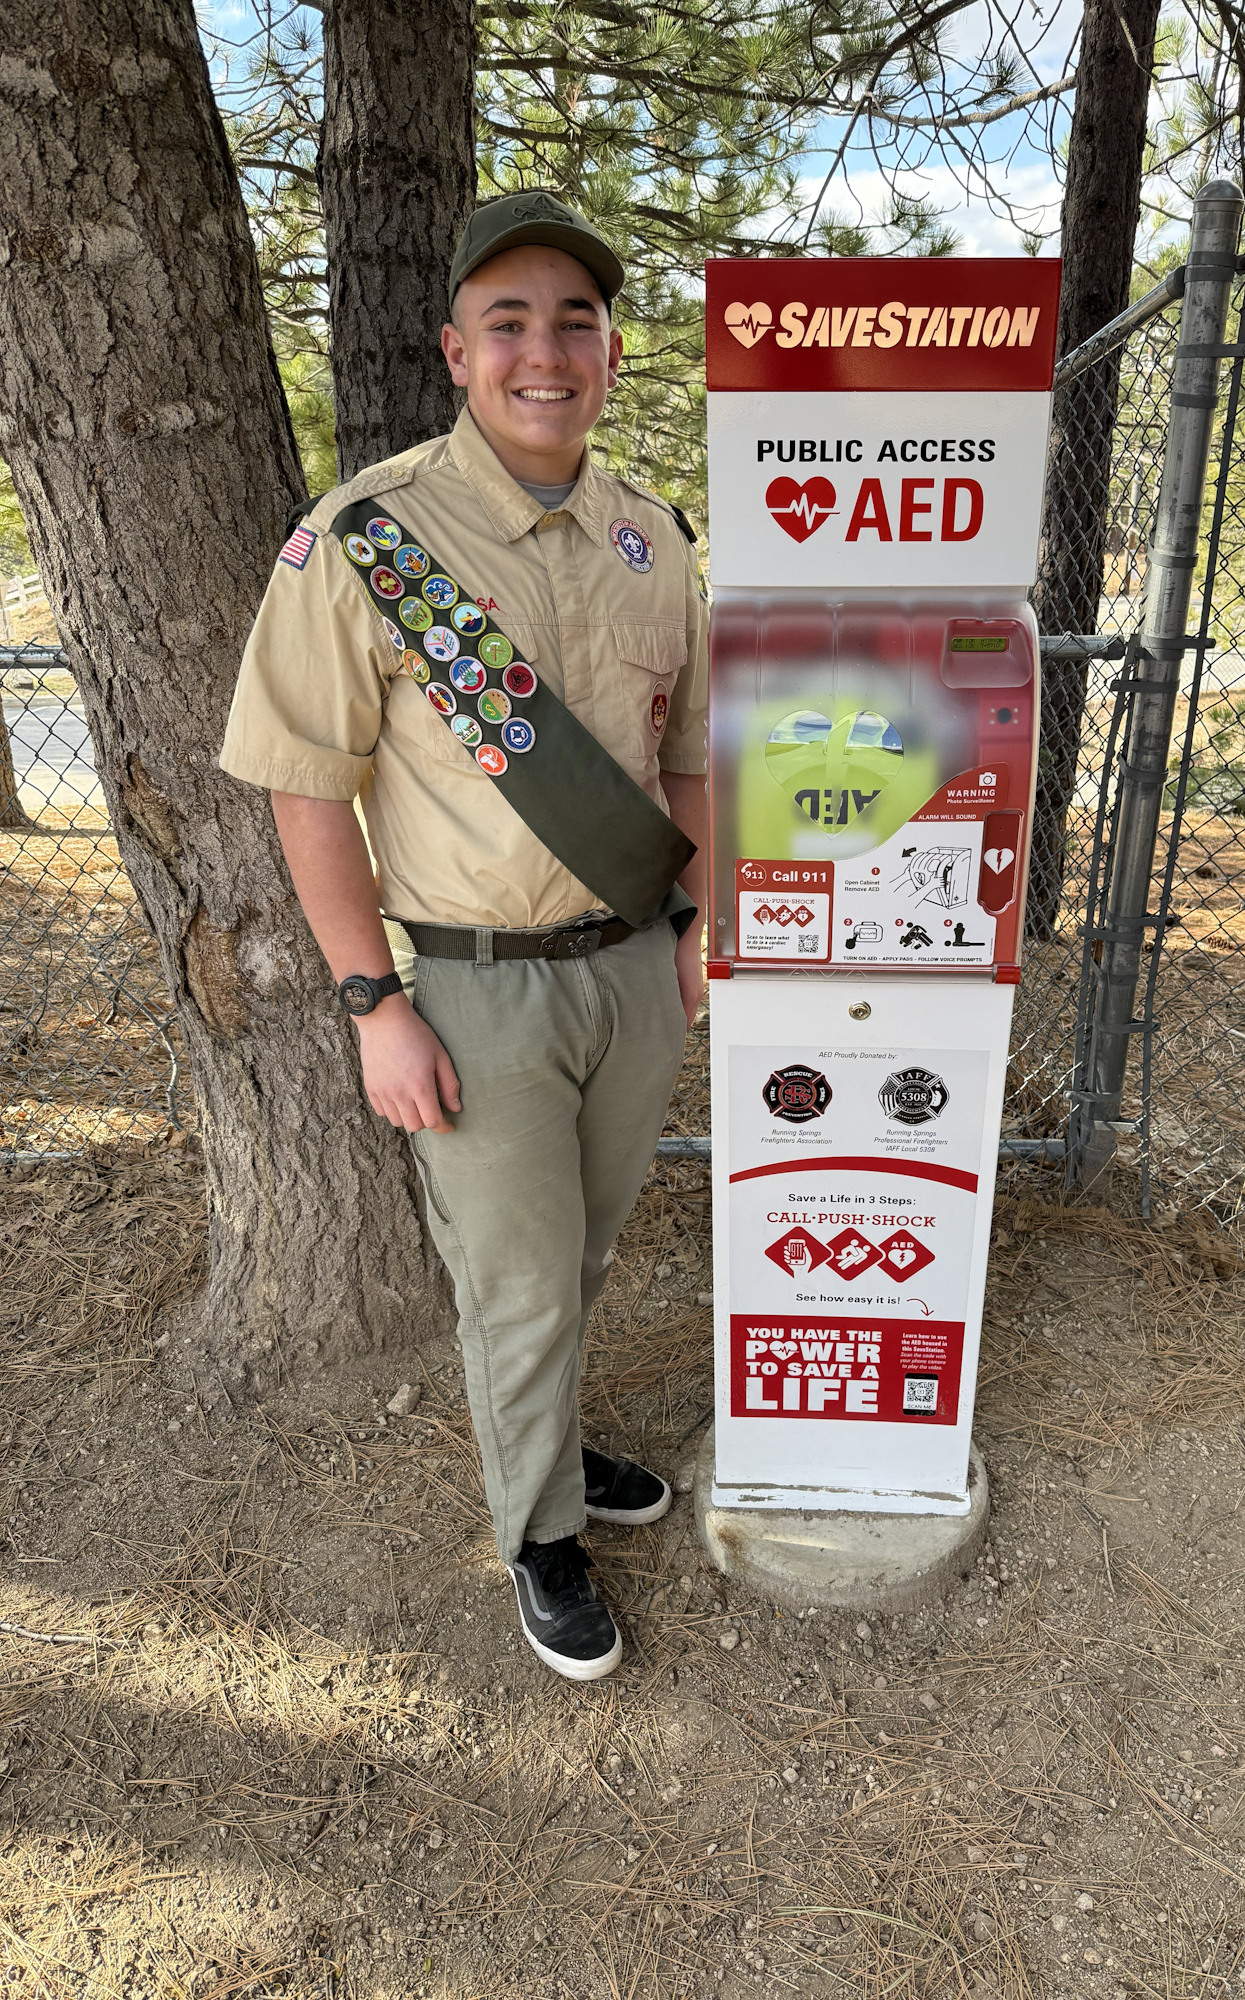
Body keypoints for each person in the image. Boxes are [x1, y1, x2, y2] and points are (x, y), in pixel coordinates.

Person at [220, 192, 707, 1682]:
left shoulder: (654, 535)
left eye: (575, 321)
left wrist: (696, 920)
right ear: (454, 350)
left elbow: (681, 751)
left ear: (612, 355)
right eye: (510, 322)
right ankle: (539, 1536)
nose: (544, 351)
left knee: (581, 1251)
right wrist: (374, 1002)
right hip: (475, 990)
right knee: (514, 1274)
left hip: (631, 970)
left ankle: (552, 1449)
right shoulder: (371, 541)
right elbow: (309, 791)